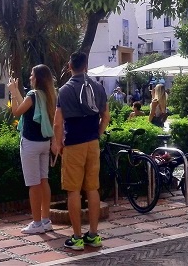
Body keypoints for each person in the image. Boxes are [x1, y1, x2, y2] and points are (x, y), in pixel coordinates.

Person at [52, 52, 110, 251]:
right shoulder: (98, 87)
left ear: (70, 67)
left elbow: (58, 122)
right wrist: (97, 134)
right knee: (92, 188)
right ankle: (93, 235)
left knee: (73, 190)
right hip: (92, 142)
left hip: (74, 143)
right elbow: (106, 116)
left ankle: (76, 237)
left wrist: (58, 143)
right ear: (86, 66)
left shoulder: (65, 90)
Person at [8, 65, 56, 234]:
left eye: (31, 75)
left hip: (30, 143)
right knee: (44, 180)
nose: (30, 78)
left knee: (33, 184)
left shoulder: (33, 95)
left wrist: (13, 92)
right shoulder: (47, 95)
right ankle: (45, 220)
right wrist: (17, 92)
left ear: (37, 78)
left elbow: (16, 111)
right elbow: (25, 108)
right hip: (44, 142)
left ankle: (36, 223)